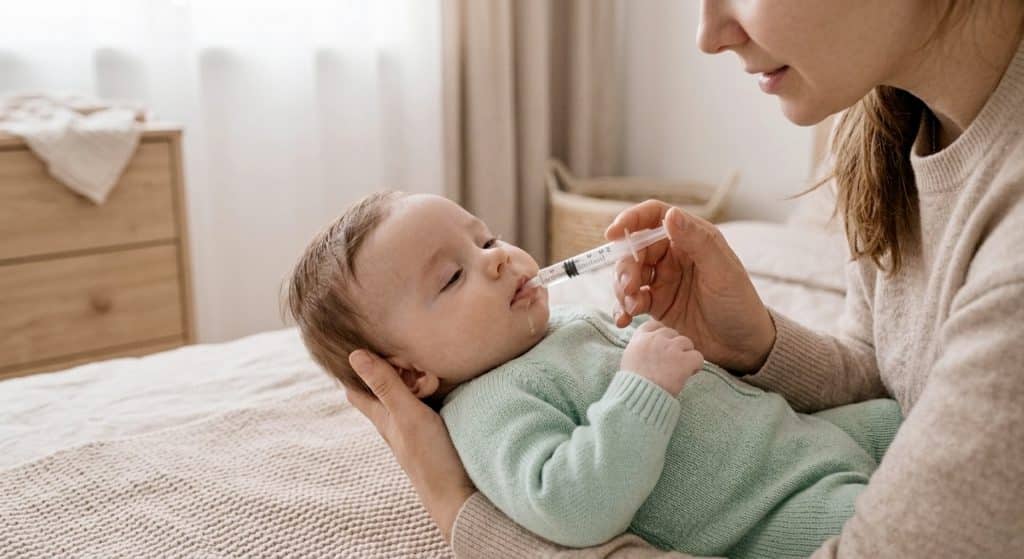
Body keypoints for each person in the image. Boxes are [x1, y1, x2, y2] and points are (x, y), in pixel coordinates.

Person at [346, 1, 1024, 557]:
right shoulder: (889, 124)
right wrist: (755, 343)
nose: (707, 36)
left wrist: (457, 508)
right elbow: (901, 370)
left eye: (487, 238)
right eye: (450, 278)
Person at [285, 191, 902, 558]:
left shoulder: (557, 329)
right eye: (452, 277)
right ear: (411, 374)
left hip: (812, 436)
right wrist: (643, 386)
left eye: (486, 239)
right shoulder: (489, 406)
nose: (498, 259)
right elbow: (572, 505)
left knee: (923, 416)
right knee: (902, 526)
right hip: (780, 508)